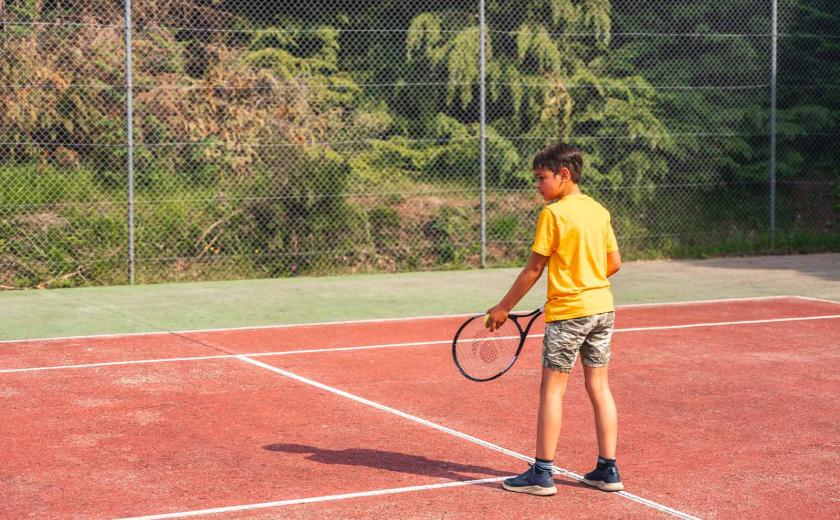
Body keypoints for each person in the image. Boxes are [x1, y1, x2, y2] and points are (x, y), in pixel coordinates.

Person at [485, 142, 623, 496]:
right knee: (599, 387)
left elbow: (534, 269)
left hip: (569, 314)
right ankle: (608, 470)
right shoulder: (599, 210)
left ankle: (542, 474)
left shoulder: (554, 214)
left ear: (564, 175)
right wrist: (581, 285)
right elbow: (613, 264)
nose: (537, 185)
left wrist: (502, 308)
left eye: (541, 178)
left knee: (552, 392)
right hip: (602, 310)